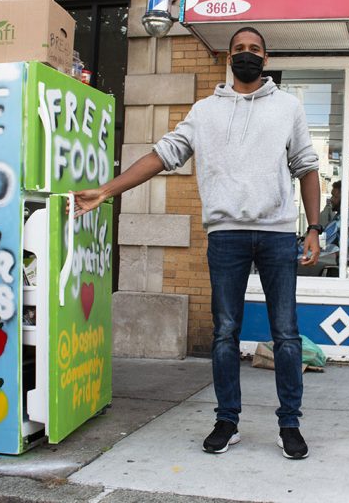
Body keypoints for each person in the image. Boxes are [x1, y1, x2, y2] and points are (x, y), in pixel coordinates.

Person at [71, 27, 321, 460]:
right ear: (228, 55)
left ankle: (289, 424)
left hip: (278, 233)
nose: (247, 55)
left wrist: (314, 227)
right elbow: (161, 154)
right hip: (226, 236)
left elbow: (307, 167)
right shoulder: (204, 111)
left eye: (255, 50)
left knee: (286, 334)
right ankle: (227, 420)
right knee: (225, 333)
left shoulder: (288, 108)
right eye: (239, 49)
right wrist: (107, 191)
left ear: (266, 56)